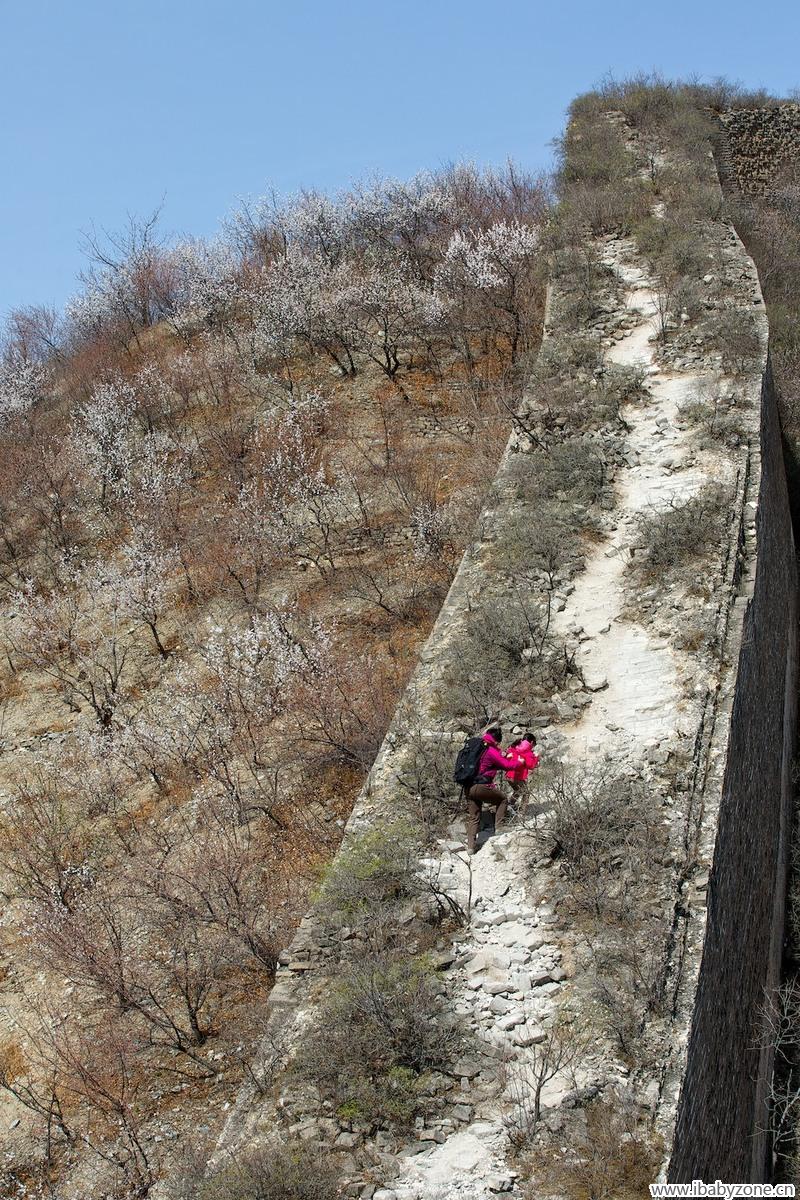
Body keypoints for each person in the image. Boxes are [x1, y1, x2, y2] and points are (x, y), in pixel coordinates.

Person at [465, 725, 517, 854]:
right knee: (503, 800)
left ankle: (471, 847)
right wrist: (520, 762)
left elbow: (490, 762)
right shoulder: (490, 750)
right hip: (481, 786)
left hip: (468, 786)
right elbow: (507, 766)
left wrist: (502, 754)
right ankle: (499, 828)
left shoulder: (478, 747)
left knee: (474, 817)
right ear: (497, 740)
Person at [507, 729, 539, 814]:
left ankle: (510, 805)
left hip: (508, 775)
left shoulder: (515, 746)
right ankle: (522, 813)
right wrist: (536, 757)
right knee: (526, 792)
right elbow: (531, 766)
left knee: (518, 790)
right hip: (517, 776)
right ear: (531, 742)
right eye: (534, 744)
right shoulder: (527, 751)